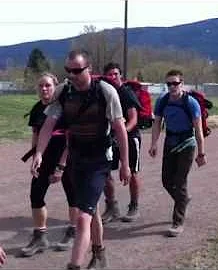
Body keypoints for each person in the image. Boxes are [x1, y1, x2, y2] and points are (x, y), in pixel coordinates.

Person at [31, 50, 130, 270]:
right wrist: (39, 153)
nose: (72, 75)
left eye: (77, 70)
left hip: (98, 161)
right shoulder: (64, 92)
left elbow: (120, 128)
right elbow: (48, 124)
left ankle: (74, 265)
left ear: (89, 69)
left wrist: (125, 163)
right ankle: (99, 254)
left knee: (83, 216)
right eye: (68, 71)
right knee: (90, 208)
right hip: (76, 160)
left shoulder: (105, 92)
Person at [20, 73, 78, 257]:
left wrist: (61, 166)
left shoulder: (65, 108)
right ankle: (40, 237)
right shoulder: (37, 109)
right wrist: (34, 158)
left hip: (66, 157)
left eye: (48, 85)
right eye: (41, 86)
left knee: (73, 195)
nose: (44, 89)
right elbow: (36, 135)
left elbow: (71, 138)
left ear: (56, 87)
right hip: (44, 157)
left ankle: (73, 231)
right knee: (36, 194)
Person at [149, 69, 206, 237]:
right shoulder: (163, 101)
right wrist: (154, 143)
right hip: (170, 141)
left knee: (180, 181)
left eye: (175, 83)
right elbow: (157, 124)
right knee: (167, 180)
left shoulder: (191, 103)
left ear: (182, 84)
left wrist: (201, 153)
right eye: (169, 84)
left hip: (187, 143)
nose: (172, 86)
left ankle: (177, 222)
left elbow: (199, 130)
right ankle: (183, 200)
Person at [101, 62, 143, 223]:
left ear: (121, 76)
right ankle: (112, 207)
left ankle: (134, 206)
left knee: (132, 172)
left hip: (131, 138)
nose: (112, 77)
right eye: (109, 75)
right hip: (110, 138)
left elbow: (133, 119)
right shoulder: (104, 92)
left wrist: (122, 134)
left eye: (115, 74)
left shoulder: (126, 93)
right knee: (105, 173)